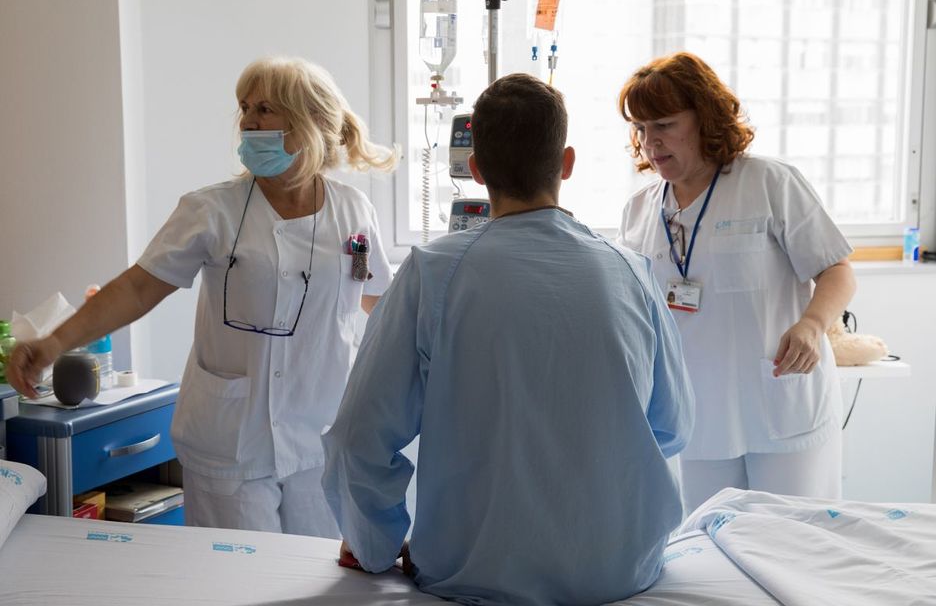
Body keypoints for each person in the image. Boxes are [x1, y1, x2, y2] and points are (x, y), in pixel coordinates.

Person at [321, 73, 695, 605]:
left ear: (475, 170)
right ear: (566, 163)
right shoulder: (631, 271)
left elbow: (358, 438)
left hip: (473, 574)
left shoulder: (433, 273)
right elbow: (672, 426)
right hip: (619, 573)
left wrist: (373, 545)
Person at [6, 56, 396, 537]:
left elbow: (381, 303)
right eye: (245, 108)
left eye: (265, 109)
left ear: (310, 120)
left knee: (319, 571)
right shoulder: (211, 209)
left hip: (320, 434)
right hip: (230, 439)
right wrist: (53, 343)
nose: (248, 121)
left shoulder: (353, 211)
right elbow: (138, 288)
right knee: (238, 573)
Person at [617, 51, 857, 513]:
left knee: (792, 538)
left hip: (780, 403)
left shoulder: (769, 182)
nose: (650, 141)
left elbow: (837, 270)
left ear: (705, 117)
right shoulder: (640, 210)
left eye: (664, 124)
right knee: (708, 542)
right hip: (697, 413)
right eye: (641, 128)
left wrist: (812, 325)